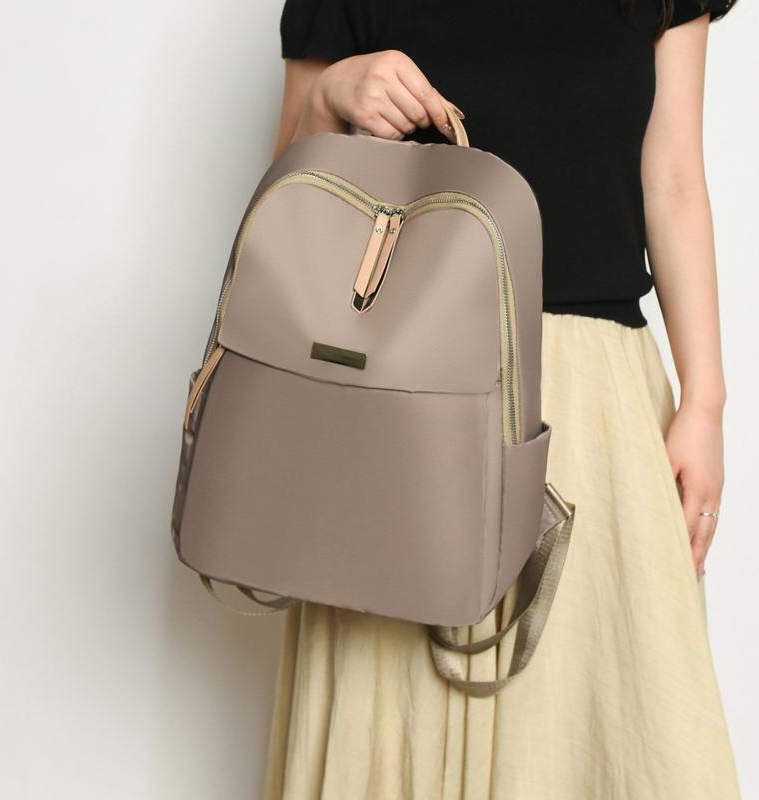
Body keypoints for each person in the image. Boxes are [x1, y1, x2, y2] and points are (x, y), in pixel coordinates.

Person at [261, 1, 741, 797]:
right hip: (399, 400)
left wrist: (706, 404)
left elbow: (675, 179)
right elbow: (286, 209)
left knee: (620, 729)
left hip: (593, 403)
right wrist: (330, 95)